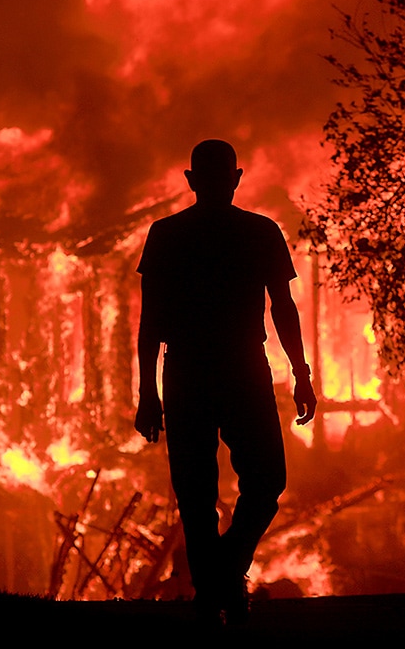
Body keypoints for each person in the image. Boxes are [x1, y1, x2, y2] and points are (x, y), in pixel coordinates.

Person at [135, 139, 317, 624]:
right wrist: (300, 374)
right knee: (259, 482)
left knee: (198, 493)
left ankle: (215, 582)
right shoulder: (258, 231)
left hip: (193, 371)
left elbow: (150, 322)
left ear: (191, 180)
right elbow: (283, 308)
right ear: (235, 178)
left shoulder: (168, 234)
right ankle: (223, 583)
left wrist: (148, 393)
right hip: (237, 369)